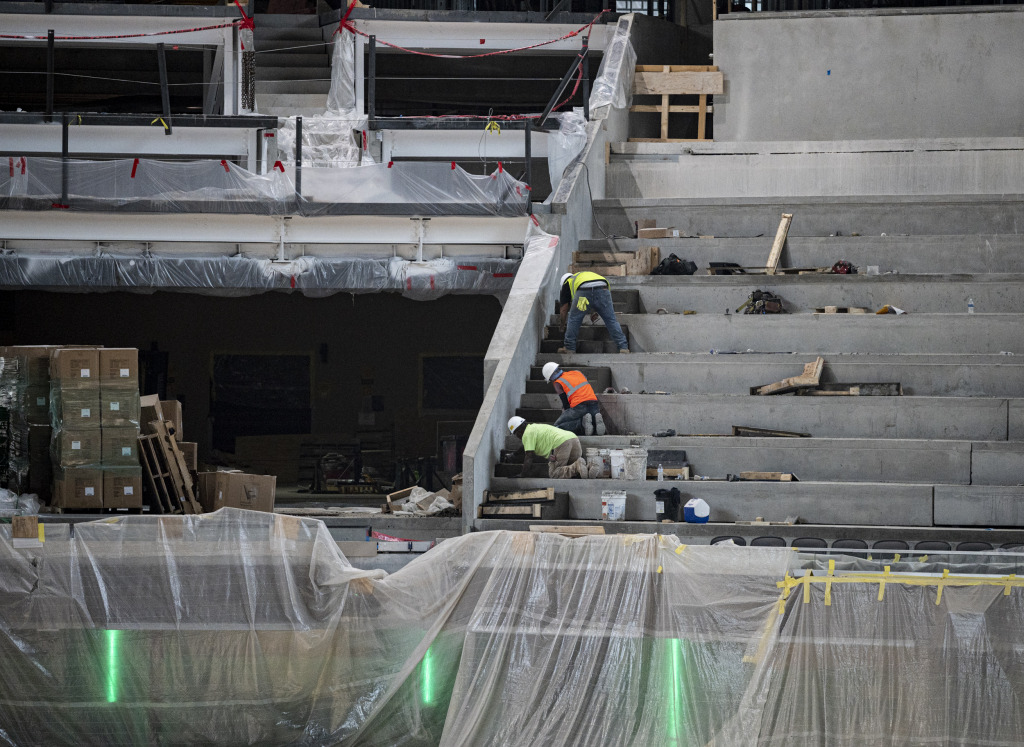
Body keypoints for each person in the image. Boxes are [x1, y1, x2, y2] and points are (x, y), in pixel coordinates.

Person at [557, 271, 629, 354]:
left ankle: (569, 348)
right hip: (603, 287)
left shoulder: (567, 282)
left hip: (584, 290)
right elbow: (595, 295)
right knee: (611, 320)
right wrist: (596, 311)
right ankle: (623, 348)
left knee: (574, 319)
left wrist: (562, 325)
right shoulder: (581, 275)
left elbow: (564, 308)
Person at [507, 416, 600, 479]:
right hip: (573, 438)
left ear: (518, 432)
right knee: (572, 467)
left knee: (554, 473)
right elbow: (525, 447)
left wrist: (523, 475)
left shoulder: (527, 434)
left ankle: (577, 466)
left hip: (561, 443)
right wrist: (514, 455)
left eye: (516, 435)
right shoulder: (534, 428)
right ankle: (589, 466)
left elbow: (529, 456)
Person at [542, 361, 606, 436]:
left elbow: (565, 403)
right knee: (590, 420)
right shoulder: (577, 372)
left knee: (558, 426)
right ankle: (595, 420)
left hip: (579, 407)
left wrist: (566, 412)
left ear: (551, 377)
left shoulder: (557, 383)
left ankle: (581, 424)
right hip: (594, 404)